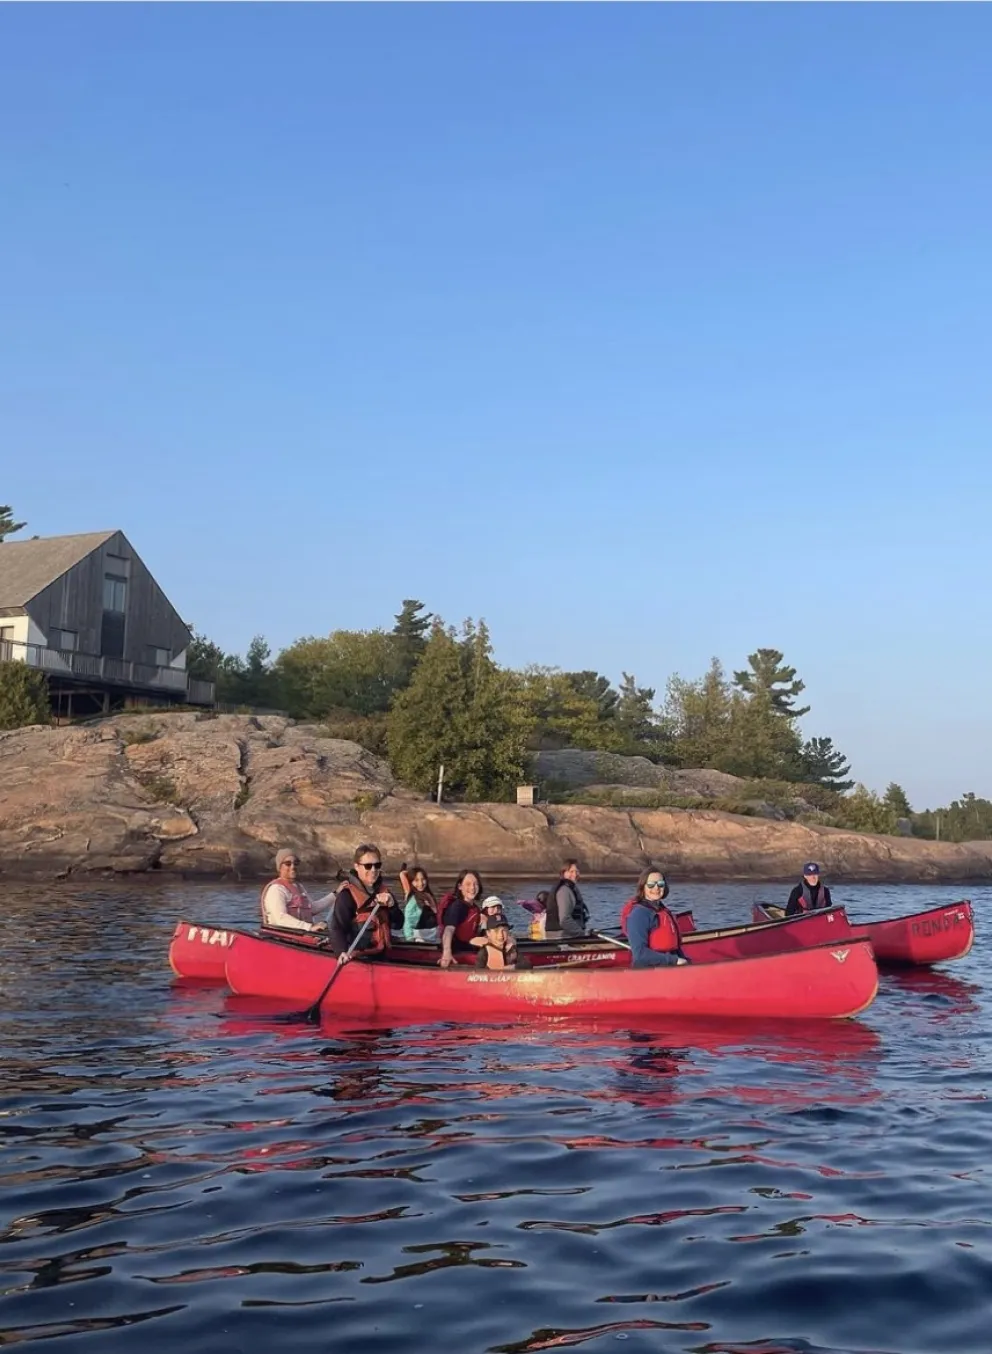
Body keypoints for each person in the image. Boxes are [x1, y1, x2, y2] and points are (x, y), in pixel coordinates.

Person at [325, 844, 396, 961]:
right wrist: (341, 952)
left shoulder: (385, 893)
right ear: (357, 866)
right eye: (368, 866)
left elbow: (398, 924)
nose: (373, 870)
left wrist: (392, 905)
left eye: (377, 865)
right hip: (359, 958)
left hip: (383, 956)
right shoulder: (346, 896)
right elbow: (337, 928)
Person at [621, 867, 689, 968]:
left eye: (660, 884)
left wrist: (686, 961)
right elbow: (640, 954)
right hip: (648, 972)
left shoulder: (662, 910)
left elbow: (676, 949)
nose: (656, 888)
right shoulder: (639, 915)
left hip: (668, 967)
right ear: (642, 887)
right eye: (651, 885)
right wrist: (674, 960)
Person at [259, 849, 335, 932]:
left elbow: (313, 908)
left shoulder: (299, 887)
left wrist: (335, 894)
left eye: (295, 863)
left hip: (303, 935)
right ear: (280, 867)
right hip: (283, 936)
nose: (293, 867)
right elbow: (280, 919)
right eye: (288, 864)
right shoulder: (276, 889)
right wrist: (309, 927)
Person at [437, 869, 484, 968]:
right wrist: (447, 953)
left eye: (475, 884)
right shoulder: (457, 907)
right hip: (457, 951)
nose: (472, 888)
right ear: (460, 887)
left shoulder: (475, 908)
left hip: (468, 947)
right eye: (468, 884)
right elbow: (448, 930)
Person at [544, 860, 589, 939]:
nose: (575, 874)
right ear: (563, 873)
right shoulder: (564, 891)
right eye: (571, 871)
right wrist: (581, 933)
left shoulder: (571, 889)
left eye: (577, 871)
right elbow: (564, 920)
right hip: (561, 937)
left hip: (568, 935)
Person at [399, 862, 439, 942]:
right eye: (416, 880)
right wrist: (410, 939)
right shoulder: (413, 900)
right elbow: (407, 921)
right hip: (420, 938)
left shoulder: (428, 895)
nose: (420, 883)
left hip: (433, 937)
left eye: (423, 879)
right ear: (411, 882)